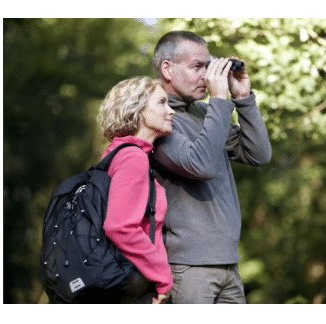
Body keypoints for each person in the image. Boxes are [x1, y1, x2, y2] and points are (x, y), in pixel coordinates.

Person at [151, 30, 272, 303]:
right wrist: (219, 101)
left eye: (208, 66)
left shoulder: (205, 114)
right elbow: (200, 165)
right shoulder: (158, 120)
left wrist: (243, 99)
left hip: (228, 261)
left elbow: (258, 154)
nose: (206, 76)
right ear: (167, 69)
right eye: (197, 67)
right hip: (188, 266)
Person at [97, 76, 175, 303]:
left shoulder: (117, 152)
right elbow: (119, 226)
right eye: (162, 103)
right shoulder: (132, 157)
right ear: (138, 109)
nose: (171, 111)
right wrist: (162, 278)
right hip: (135, 286)